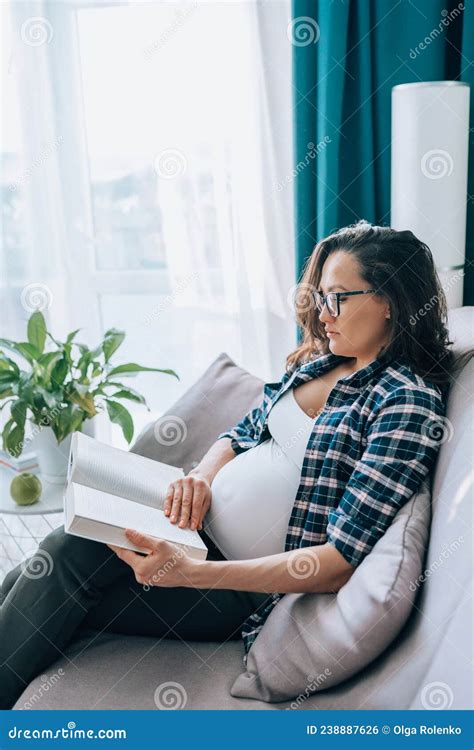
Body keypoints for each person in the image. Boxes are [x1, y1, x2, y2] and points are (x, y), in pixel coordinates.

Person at [0, 220, 463, 709]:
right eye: (318, 298)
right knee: (36, 572)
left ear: (389, 301)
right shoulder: (325, 362)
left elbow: (335, 564)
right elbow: (240, 433)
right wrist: (200, 477)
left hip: (232, 587)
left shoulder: (404, 403)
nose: (321, 314)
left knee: (61, 559)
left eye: (337, 299)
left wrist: (187, 575)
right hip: (190, 532)